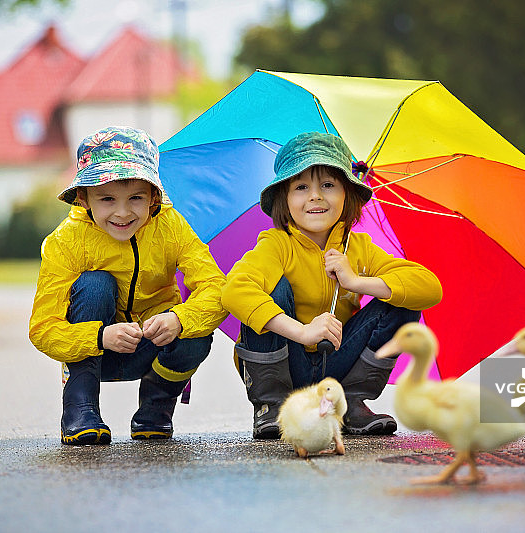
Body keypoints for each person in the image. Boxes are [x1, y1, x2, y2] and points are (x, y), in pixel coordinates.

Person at [221, 131, 442, 439]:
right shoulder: (276, 245)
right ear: (284, 199)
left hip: (339, 364)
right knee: (272, 287)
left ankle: (350, 403)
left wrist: (357, 281)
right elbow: (234, 291)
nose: (315, 196)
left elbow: (429, 287)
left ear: (347, 195)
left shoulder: (359, 247)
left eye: (328, 185)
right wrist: (303, 331)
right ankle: (272, 404)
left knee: (401, 302)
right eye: (301, 187)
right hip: (287, 362)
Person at [29, 126, 227, 445]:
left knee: (196, 333)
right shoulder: (65, 241)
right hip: (94, 350)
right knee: (95, 284)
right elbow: (42, 328)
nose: (122, 212)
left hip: (151, 344)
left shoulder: (170, 226)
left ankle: (156, 406)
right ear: (84, 198)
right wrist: (99, 336)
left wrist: (179, 319)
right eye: (107, 199)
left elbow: (217, 288)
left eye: (135, 197)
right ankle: (81, 408)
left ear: (153, 197)